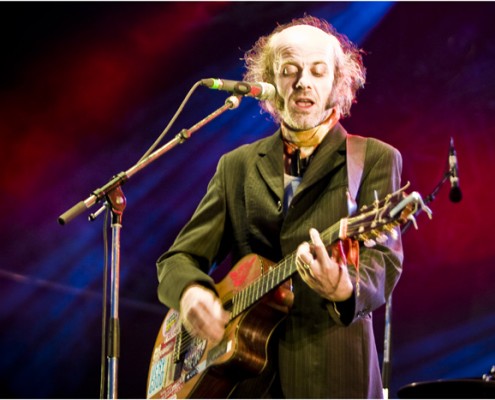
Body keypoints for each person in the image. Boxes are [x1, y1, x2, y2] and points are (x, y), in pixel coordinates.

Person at [156, 15, 403, 399]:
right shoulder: (236, 166)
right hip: (246, 379)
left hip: (335, 375)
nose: (304, 81)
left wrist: (343, 286)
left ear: (337, 83)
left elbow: (383, 261)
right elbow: (178, 259)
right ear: (269, 82)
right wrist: (191, 293)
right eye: (290, 70)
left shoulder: (372, 158)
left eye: (318, 72)